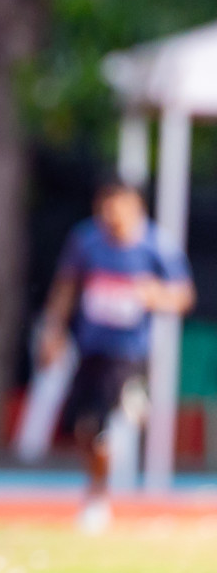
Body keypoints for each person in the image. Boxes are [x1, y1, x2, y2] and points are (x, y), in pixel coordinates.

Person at [38, 180, 194, 533]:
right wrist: (53, 331)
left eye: (119, 210)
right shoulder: (86, 240)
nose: (111, 218)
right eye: (105, 210)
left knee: (109, 417)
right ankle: (99, 484)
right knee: (85, 428)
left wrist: (157, 296)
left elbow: (183, 295)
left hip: (130, 352)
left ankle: (132, 401)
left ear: (136, 209)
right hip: (91, 348)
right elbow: (66, 286)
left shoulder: (156, 245)